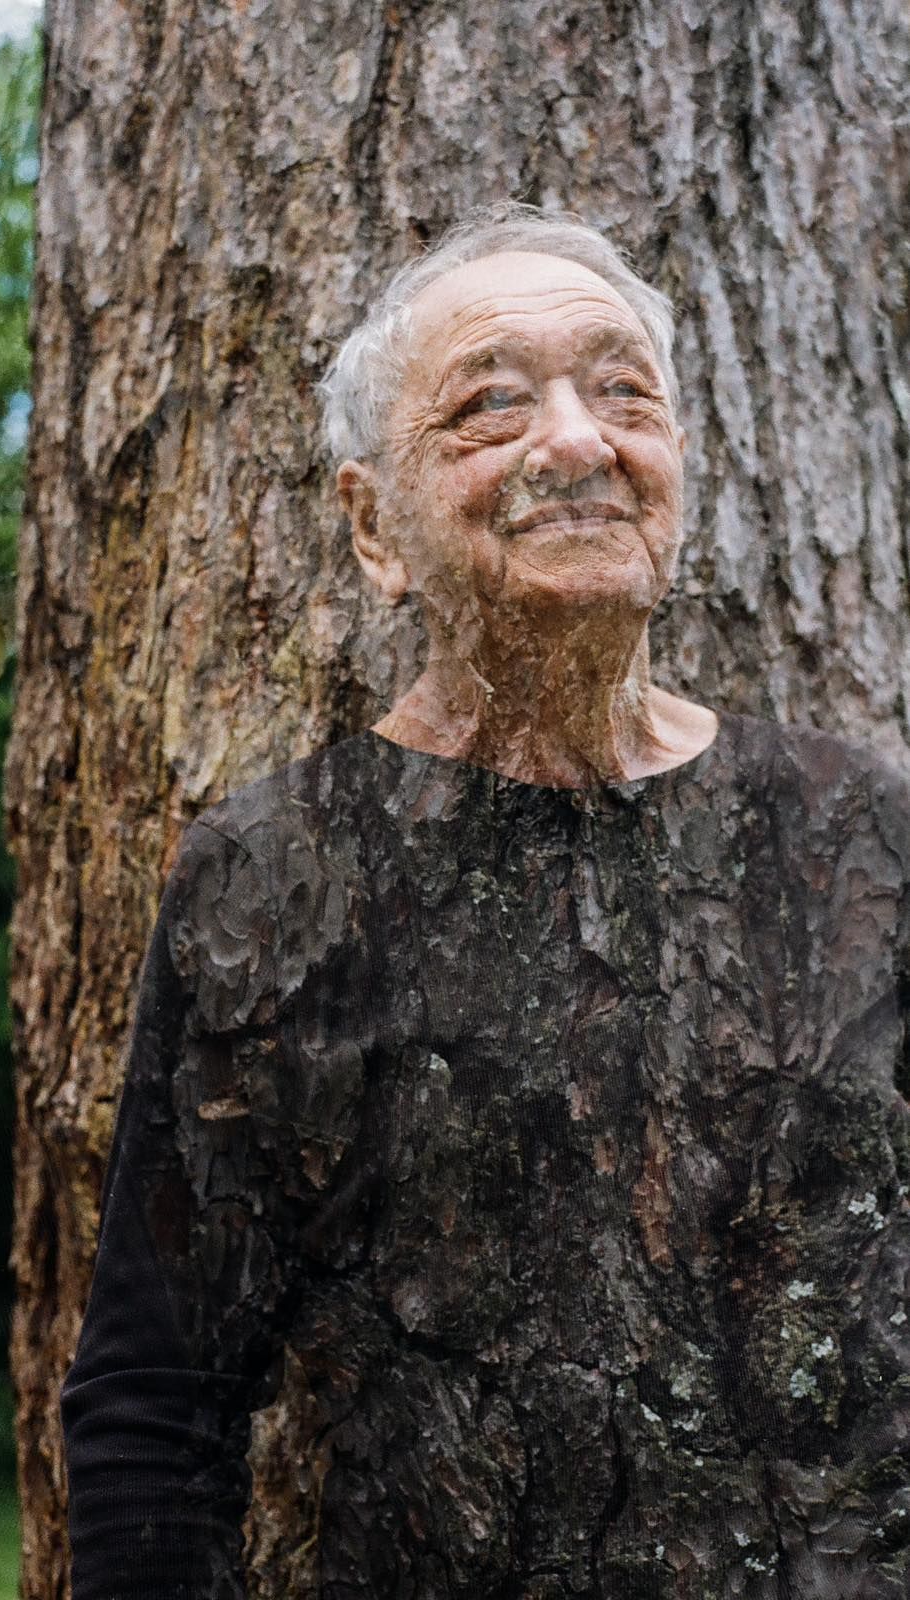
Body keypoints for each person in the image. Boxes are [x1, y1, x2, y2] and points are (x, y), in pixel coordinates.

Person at [60, 202, 910, 1599]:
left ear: (675, 467)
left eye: (621, 392)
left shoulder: (858, 827)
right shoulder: (277, 876)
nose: (575, 443)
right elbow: (160, 1399)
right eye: (487, 408)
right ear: (372, 527)